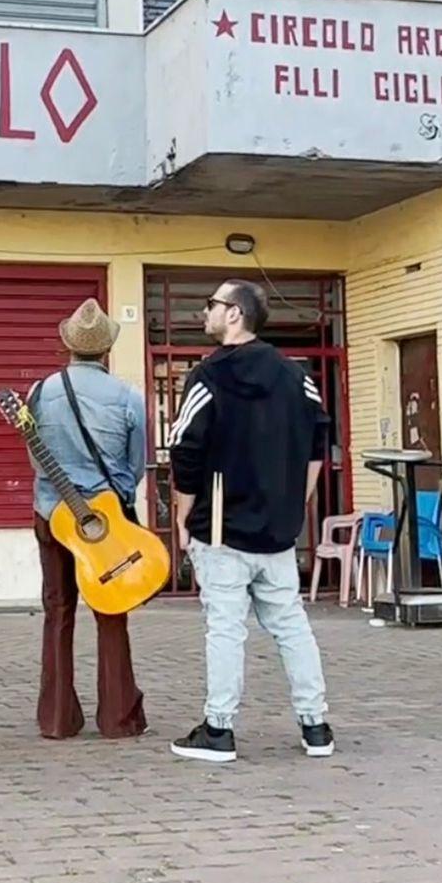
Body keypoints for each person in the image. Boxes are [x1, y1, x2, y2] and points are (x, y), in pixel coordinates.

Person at [165, 279, 336, 763]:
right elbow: (318, 440)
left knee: (225, 628)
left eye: (212, 305)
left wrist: (183, 516)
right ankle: (315, 725)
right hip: (276, 533)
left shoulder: (207, 377)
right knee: (291, 625)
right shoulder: (295, 375)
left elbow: (185, 450)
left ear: (234, 314)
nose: (205, 313)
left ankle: (219, 729)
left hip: (220, 528)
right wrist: (294, 502)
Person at [26, 299, 148, 740]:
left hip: (52, 514)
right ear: (106, 350)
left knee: (57, 610)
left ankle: (57, 718)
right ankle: (118, 717)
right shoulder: (128, 397)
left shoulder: (40, 392)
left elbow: (36, 460)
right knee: (111, 611)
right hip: (106, 520)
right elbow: (136, 466)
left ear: (68, 346)